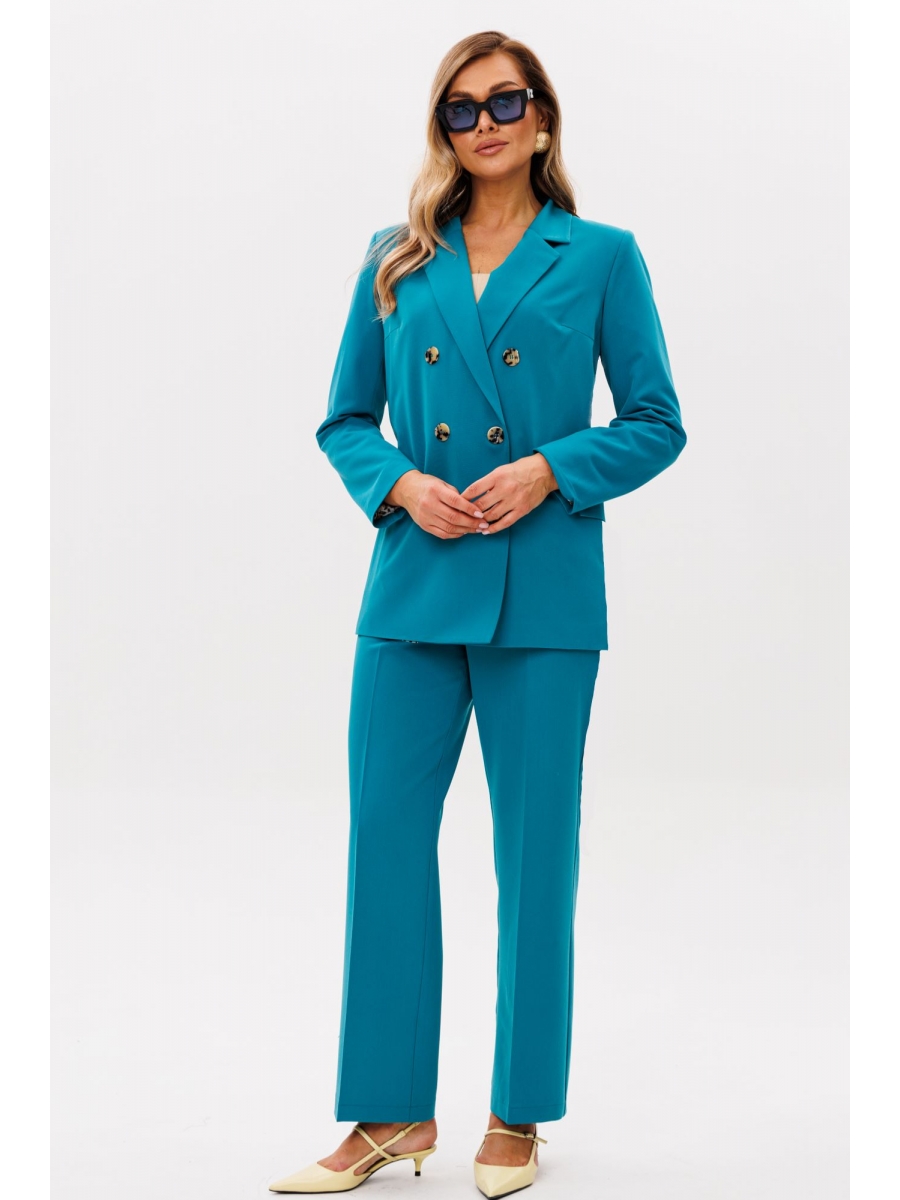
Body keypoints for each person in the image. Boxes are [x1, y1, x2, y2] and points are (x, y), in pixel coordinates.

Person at [269, 28, 686, 1199]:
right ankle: (387, 1115)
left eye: (506, 102)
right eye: (461, 108)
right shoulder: (396, 256)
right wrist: (401, 484)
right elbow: (344, 420)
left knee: (534, 858)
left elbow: (656, 420)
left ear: (542, 118)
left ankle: (518, 1112)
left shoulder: (600, 256)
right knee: (385, 848)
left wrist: (551, 468)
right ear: (442, 129)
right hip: (413, 588)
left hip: (544, 593)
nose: (486, 123)